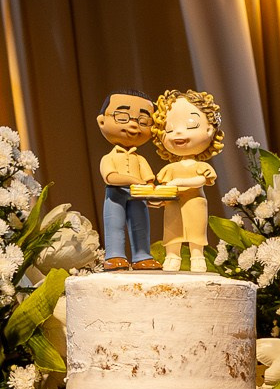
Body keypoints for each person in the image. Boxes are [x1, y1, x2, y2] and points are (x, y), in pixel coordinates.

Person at [148, 88, 224, 272]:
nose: (178, 133)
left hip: (195, 202)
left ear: (209, 129)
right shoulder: (170, 169)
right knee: (173, 230)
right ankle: (172, 255)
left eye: (191, 125)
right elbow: (164, 187)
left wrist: (180, 183)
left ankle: (197, 256)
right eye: (170, 128)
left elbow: (201, 181)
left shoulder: (200, 166)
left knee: (196, 230)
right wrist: (158, 197)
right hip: (173, 204)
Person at [96, 92, 160, 270]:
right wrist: (134, 181)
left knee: (141, 226)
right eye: (123, 117)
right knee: (114, 226)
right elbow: (110, 177)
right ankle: (115, 256)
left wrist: (152, 194)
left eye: (143, 121)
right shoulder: (108, 158)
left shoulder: (139, 159)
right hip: (115, 196)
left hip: (138, 197)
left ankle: (142, 256)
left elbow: (149, 180)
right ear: (102, 121)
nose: (133, 124)